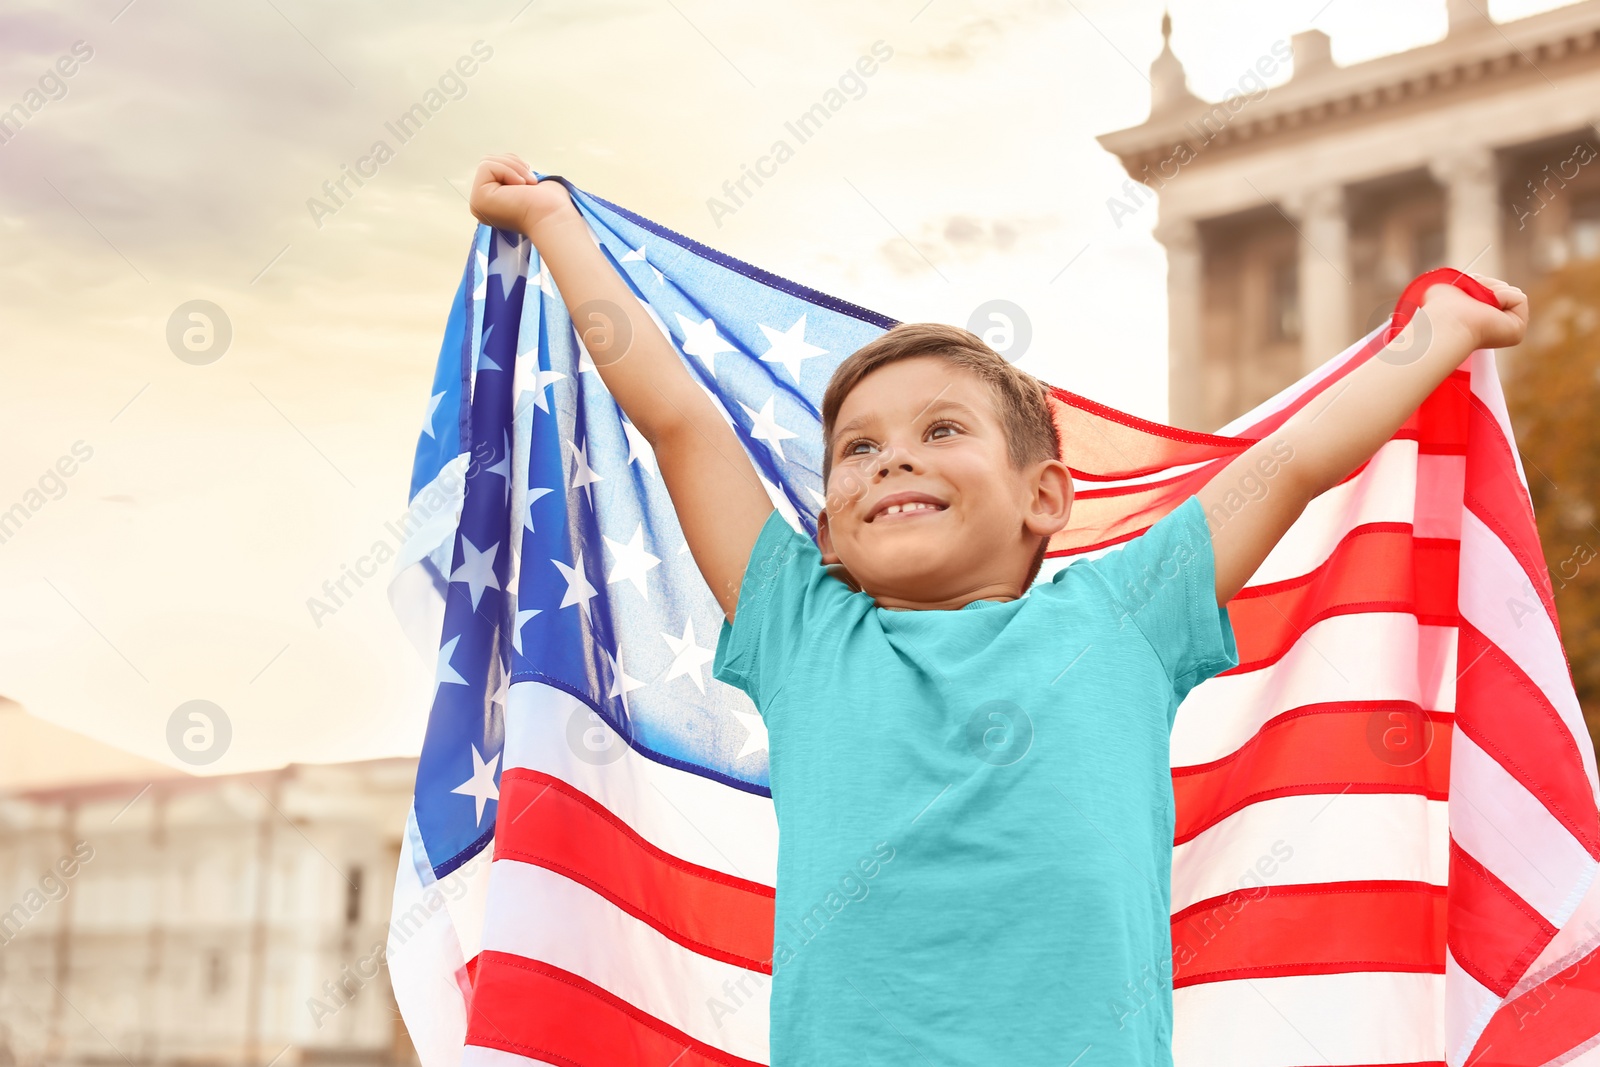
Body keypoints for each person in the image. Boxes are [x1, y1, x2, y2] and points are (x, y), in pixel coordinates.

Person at [467, 152, 1529, 1066]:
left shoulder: (1124, 615)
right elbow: (679, 420)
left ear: (1045, 497)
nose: (894, 461)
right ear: (829, 528)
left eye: (941, 430)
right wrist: (555, 221)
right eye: (859, 449)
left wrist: (1437, 333)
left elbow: (1290, 465)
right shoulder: (801, 624)